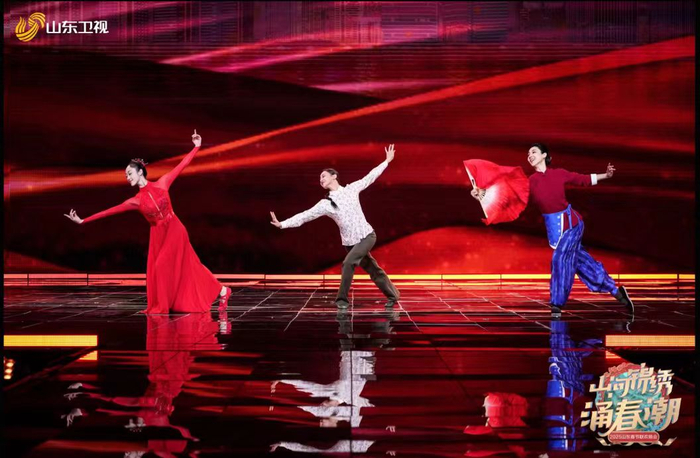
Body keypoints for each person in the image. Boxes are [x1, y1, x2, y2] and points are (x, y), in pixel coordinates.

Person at [64, 130, 231, 314]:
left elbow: (181, 165)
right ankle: (223, 291)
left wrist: (196, 147)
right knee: (192, 265)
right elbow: (110, 211)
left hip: (175, 229)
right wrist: (83, 220)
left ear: (140, 171)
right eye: (126, 175)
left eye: (130, 173)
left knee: (162, 266)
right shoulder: (135, 201)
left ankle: (162, 307)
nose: (128, 177)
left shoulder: (163, 183)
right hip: (159, 235)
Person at [471, 143, 634, 317]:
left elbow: (583, 179)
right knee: (584, 265)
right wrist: (482, 194)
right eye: (528, 153)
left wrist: (606, 175)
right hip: (555, 232)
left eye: (533, 152)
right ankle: (616, 292)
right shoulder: (530, 182)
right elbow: (509, 196)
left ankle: (556, 304)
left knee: (559, 259)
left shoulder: (559, 174)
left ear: (544, 155)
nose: (529, 155)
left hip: (572, 225)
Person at [270, 145, 400, 310]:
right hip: (350, 243)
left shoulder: (351, 189)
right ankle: (393, 295)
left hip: (367, 236)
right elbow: (305, 215)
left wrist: (386, 161)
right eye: (319, 178)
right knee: (373, 269)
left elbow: (370, 176)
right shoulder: (325, 204)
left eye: (323, 176)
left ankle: (341, 301)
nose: (320, 179)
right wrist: (283, 224)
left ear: (334, 176)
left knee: (348, 263)